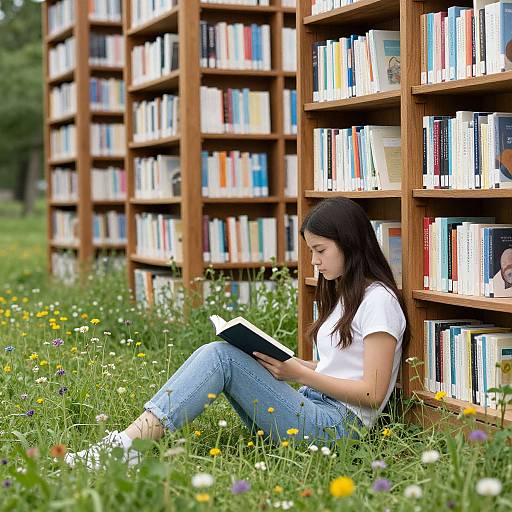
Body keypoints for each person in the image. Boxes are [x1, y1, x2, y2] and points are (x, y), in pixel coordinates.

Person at [65, 197, 409, 469]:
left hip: (338, 428)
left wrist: (298, 373)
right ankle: (128, 445)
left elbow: (372, 394)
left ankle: (127, 446)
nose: (315, 262)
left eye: (320, 251)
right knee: (228, 353)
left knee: (219, 357)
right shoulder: (344, 297)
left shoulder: (379, 302)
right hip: (312, 405)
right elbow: (338, 368)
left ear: (350, 244)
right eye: (310, 252)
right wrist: (291, 364)